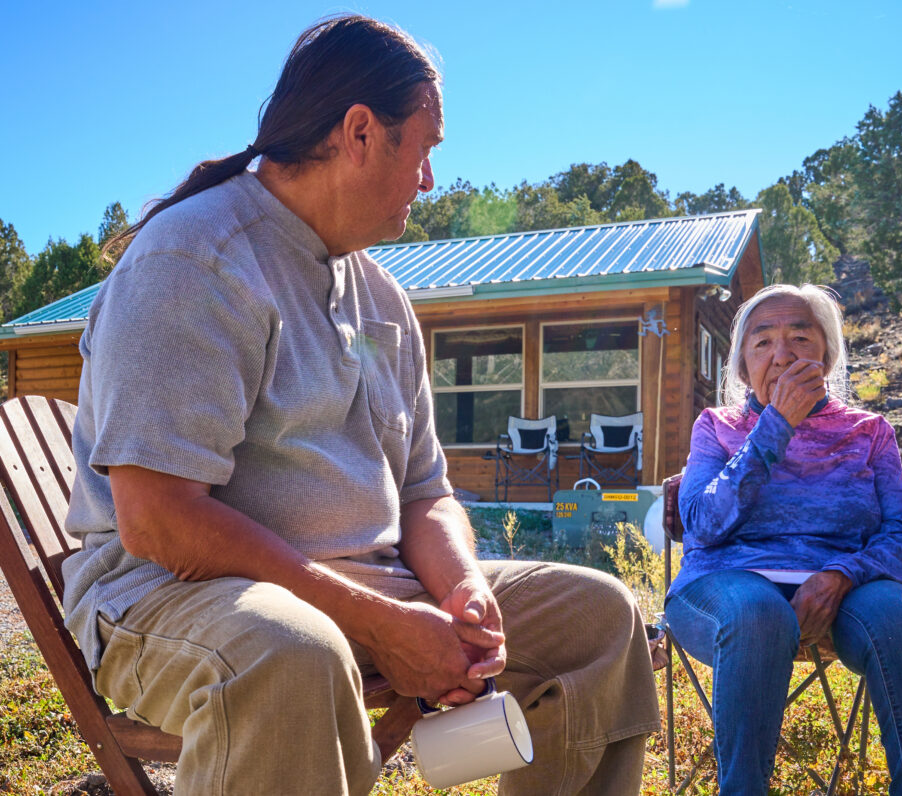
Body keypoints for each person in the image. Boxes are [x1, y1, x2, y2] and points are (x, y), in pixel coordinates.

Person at [61, 14, 660, 796]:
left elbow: (424, 490)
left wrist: (460, 589)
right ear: (360, 132)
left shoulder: (381, 297)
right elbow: (159, 519)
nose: (431, 180)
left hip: (365, 591)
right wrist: (378, 624)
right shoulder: (194, 261)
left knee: (600, 618)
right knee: (293, 653)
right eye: (428, 147)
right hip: (174, 595)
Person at [663, 283, 902, 796]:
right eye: (762, 342)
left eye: (799, 337)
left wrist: (841, 575)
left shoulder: (870, 431)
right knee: (759, 613)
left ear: (827, 354)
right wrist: (775, 426)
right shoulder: (716, 427)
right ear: (740, 367)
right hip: (723, 584)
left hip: (847, 587)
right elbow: (703, 525)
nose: (782, 355)